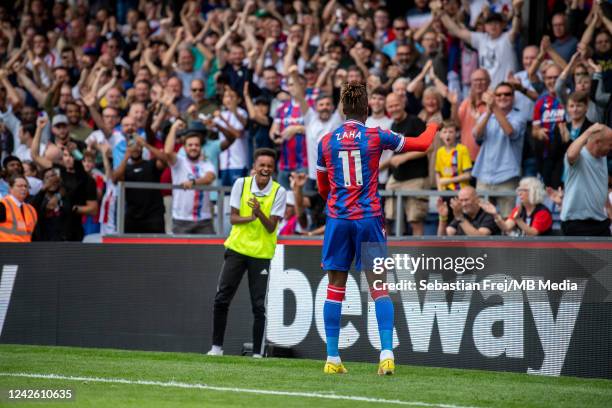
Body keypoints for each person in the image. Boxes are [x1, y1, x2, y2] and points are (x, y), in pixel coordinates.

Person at [316, 82, 438, 375]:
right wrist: (433, 125)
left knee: (335, 288)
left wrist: (339, 201)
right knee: (379, 287)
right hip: (369, 219)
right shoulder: (375, 135)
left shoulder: (325, 141)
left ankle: (333, 359)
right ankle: (386, 354)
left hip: (338, 219)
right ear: (368, 109)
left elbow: (322, 187)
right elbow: (422, 144)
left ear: (343, 109)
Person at [208, 148, 287, 358]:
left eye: (269, 166)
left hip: (261, 254)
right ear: (254, 166)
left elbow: (271, 227)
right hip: (237, 249)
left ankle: (258, 354)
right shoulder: (241, 184)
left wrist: (258, 212)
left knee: (259, 305)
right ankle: (216, 348)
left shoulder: (279, 191)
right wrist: (251, 218)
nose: (265, 169)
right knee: (222, 298)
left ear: (274, 168)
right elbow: (233, 218)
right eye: (262, 165)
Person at [472, 82, 526, 217]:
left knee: (508, 219)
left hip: (507, 176)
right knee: (481, 219)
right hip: (484, 174)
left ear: (513, 97)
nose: (503, 97)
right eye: (499, 95)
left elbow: (510, 131)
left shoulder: (519, 116)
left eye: (507, 94)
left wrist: (494, 108)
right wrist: (489, 111)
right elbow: (476, 134)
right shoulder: (488, 114)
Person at [164, 120, 216, 234]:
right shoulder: (179, 162)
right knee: (181, 252)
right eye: (190, 145)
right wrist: (173, 128)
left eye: (196, 145)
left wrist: (193, 182)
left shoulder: (206, 163)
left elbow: (209, 178)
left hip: (204, 220)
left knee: (210, 252)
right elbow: (167, 152)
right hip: (181, 220)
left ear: (200, 147)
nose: (193, 148)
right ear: (184, 147)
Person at [560, 123, 612, 236]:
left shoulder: (602, 157)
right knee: (580, 255)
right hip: (576, 223)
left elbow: (601, 182)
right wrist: (588, 131)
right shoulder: (580, 155)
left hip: (600, 221)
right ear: (598, 142)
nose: (611, 148)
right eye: (610, 144)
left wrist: (608, 207)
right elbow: (571, 155)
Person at [481, 177, 553, 236]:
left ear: (533, 192)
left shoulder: (542, 212)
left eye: (523, 190)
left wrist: (518, 220)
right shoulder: (519, 209)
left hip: (541, 249)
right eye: (519, 190)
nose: (520, 193)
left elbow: (533, 234)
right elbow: (506, 227)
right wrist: (495, 214)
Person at [0, 174, 37, 242]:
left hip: (26, 250)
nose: (24, 188)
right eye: (20, 186)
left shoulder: (31, 210)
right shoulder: (2, 205)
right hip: (5, 249)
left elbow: (34, 235)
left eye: (26, 186)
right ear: (10, 188)